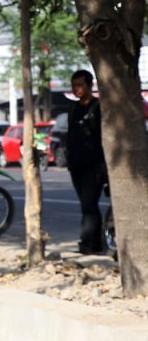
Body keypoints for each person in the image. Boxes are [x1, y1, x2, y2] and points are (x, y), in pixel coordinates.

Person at [65, 69, 107, 254]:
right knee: (87, 205)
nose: (77, 89)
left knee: (89, 204)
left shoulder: (98, 107)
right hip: (76, 164)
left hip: (94, 164)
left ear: (90, 85)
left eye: (80, 85)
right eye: (74, 86)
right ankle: (96, 243)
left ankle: (87, 244)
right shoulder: (73, 108)